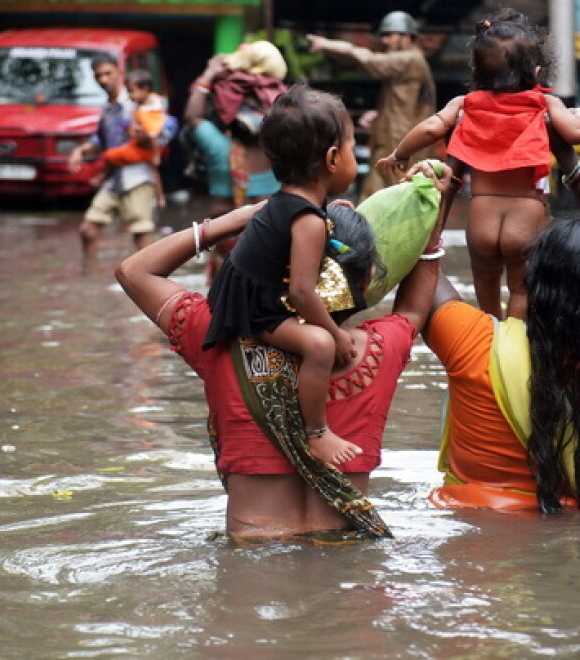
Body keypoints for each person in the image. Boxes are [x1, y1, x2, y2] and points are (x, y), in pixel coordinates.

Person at [115, 162, 452, 538]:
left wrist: (245, 217)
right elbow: (413, 309)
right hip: (347, 562)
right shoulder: (379, 352)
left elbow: (134, 272)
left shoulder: (217, 335)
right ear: (368, 279)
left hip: (253, 565)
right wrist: (432, 218)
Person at [424, 124, 580, 514]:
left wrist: (456, 165)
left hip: (472, 537)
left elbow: (420, 256)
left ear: (528, 278)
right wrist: (568, 158)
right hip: (578, 541)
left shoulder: (469, 341)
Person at [378, 8, 580, 320]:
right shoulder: (543, 103)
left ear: (477, 72)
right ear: (535, 73)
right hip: (525, 213)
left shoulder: (465, 105)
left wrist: (399, 154)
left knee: (485, 280)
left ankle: (491, 330)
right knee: (521, 288)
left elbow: (430, 129)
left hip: (481, 216)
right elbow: (575, 134)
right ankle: (514, 339)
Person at [201, 84, 366, 467]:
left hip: (246, 288)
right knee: (320, 346)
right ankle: (317, 433)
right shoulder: (306, 219)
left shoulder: (294, 203)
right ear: (331, 158)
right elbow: (304, 293)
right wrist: (337, 334)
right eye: (352, 146)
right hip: (256, 309)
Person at [307, 11, 436, 200]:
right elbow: (404, 100)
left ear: (407, 37)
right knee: (375, 190)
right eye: (384, 35)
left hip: (398, 138)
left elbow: (369, 60)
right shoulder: (407, 61)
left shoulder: (410, 59)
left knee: (397, 191)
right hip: (390, 135)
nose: (385, 41)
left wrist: (327, 45)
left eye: (390, 35)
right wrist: (380, 114)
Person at [182, 47, 284, 280]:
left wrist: (208, 75)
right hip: (271, 257)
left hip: (227, 256)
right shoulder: (282, 153)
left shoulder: (218, 149)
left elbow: (192, 117)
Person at [68, 54, 157, 259]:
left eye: (108, 74)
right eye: (99, 76)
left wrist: (148, 136)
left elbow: (164, 125)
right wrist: (81, 150)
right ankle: (90, 276)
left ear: (119, 72)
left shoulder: (136, 99)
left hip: (137, 177)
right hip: (113, 179)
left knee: (142, 237)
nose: (104, 80)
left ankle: (151, 282)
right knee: (87, 230)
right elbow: (101, 138)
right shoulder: (108, 107)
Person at [100, 69, 169, 208]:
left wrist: (155, 155)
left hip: (143, 150)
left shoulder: (147, 111)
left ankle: (160, 198)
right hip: (136, 146)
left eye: (131, 91)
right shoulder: (147, 104)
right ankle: (160, 198)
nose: (129, 95)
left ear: (145, 89)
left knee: (110, 156)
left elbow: (153, 135)